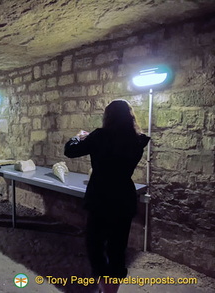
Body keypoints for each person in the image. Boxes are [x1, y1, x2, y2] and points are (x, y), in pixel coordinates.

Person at [64, 99, 150, 293]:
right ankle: (112, 290)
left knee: (95, 244)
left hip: (101, 196)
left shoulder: (99, 136)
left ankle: (105, 288)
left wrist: (78, 136)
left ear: (108, 116)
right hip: (123, 196)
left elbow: (70, 151)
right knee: (118, 247)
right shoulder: (139, 140)